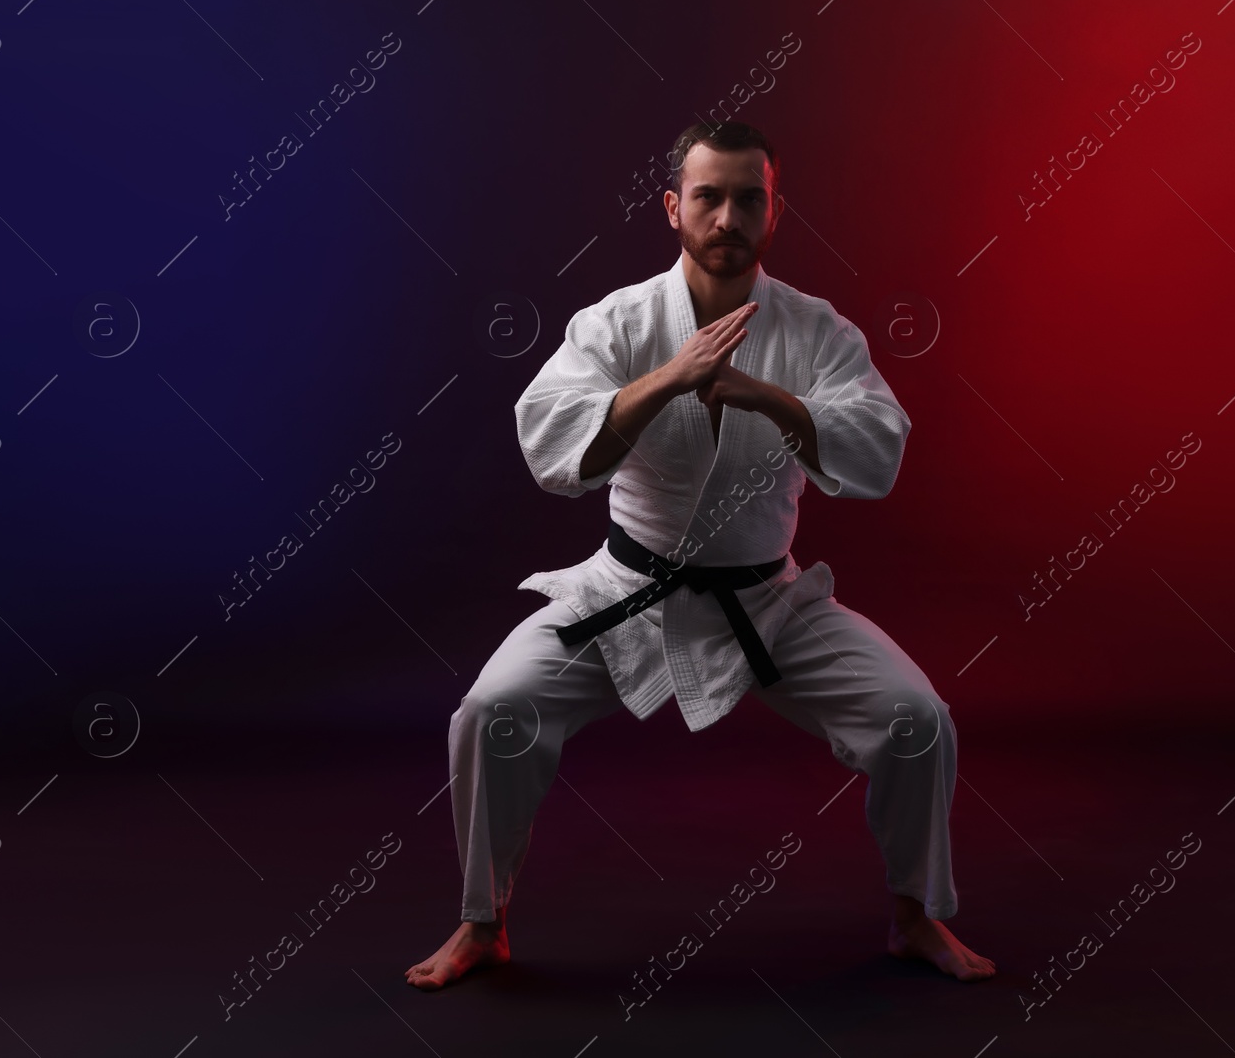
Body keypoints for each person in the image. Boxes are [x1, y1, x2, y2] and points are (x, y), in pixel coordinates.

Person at [406, 121, 995, 990]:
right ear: (674, 207)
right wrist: (669, 378)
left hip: (770, 604)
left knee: (918, 723)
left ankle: (917, 915)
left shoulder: (815, 330)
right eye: (709, 197)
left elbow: (877, 447)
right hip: (625, 593)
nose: (728, 217)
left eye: (748, 199)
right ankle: (481, 921)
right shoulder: (619, 322)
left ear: (774, 211)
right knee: (492, 713)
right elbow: (553, 447)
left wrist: (766, 394)